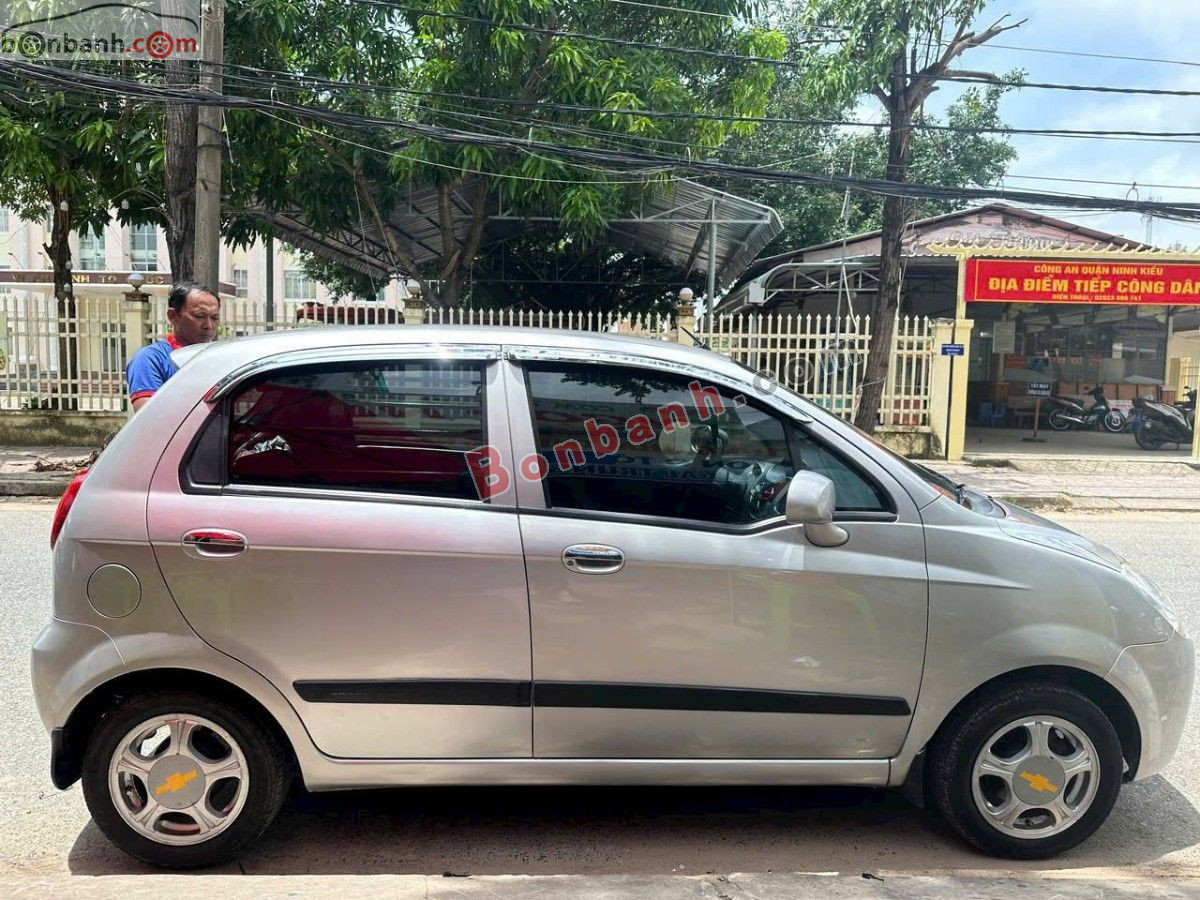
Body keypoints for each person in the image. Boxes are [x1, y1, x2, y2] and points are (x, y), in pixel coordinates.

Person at [126, 280, 220, 412]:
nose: (209, 326)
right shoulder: (151, 359)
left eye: (215, 318)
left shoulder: (219, 358)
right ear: (173, 316)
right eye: (200, 316)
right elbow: (150, 417)